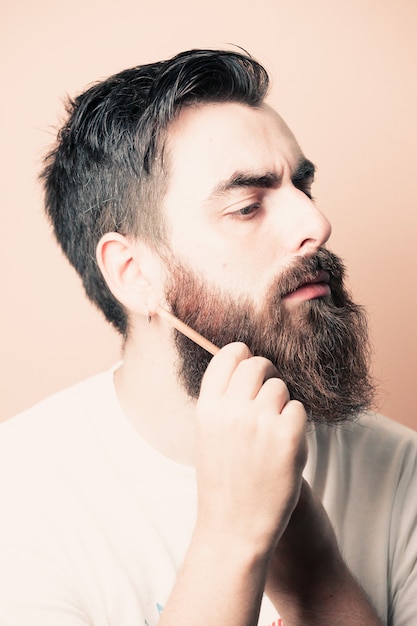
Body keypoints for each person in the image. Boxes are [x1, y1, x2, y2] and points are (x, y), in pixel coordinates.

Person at [0, 48, 416, 626]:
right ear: (134, 274)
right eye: (247, 205)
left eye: (303, 187)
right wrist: (233, 539)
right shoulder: (18, 494)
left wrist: (316, 579)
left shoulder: (401, 471)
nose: (316, 225)